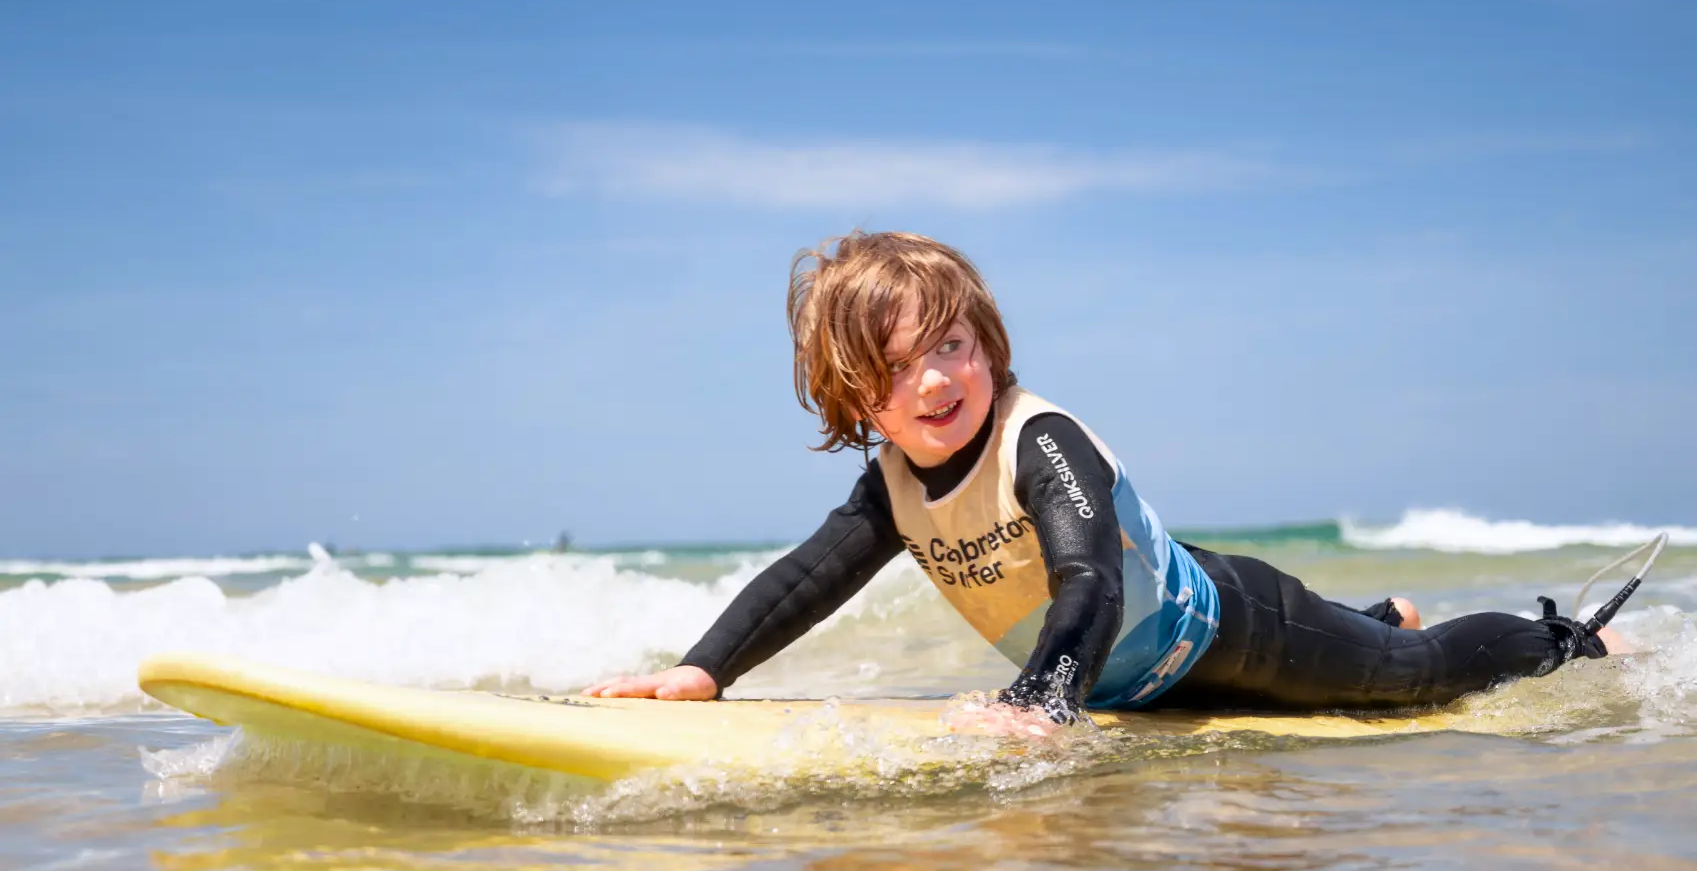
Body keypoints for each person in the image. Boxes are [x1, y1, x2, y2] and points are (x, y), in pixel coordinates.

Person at [587, 231, 1626, 736]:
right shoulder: (896, 486)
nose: (938, 378)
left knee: (1409, 682)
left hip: (1236, 631)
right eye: (899, 368)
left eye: (951, 343)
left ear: (987, 342)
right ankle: (1369, 613)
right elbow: (804, 580)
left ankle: (1569, 640)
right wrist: (702, 672)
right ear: (853, 401)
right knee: (1361, 659)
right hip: (1141, 682)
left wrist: (1040, 700)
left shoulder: (1041, 445)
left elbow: (1090, 582)